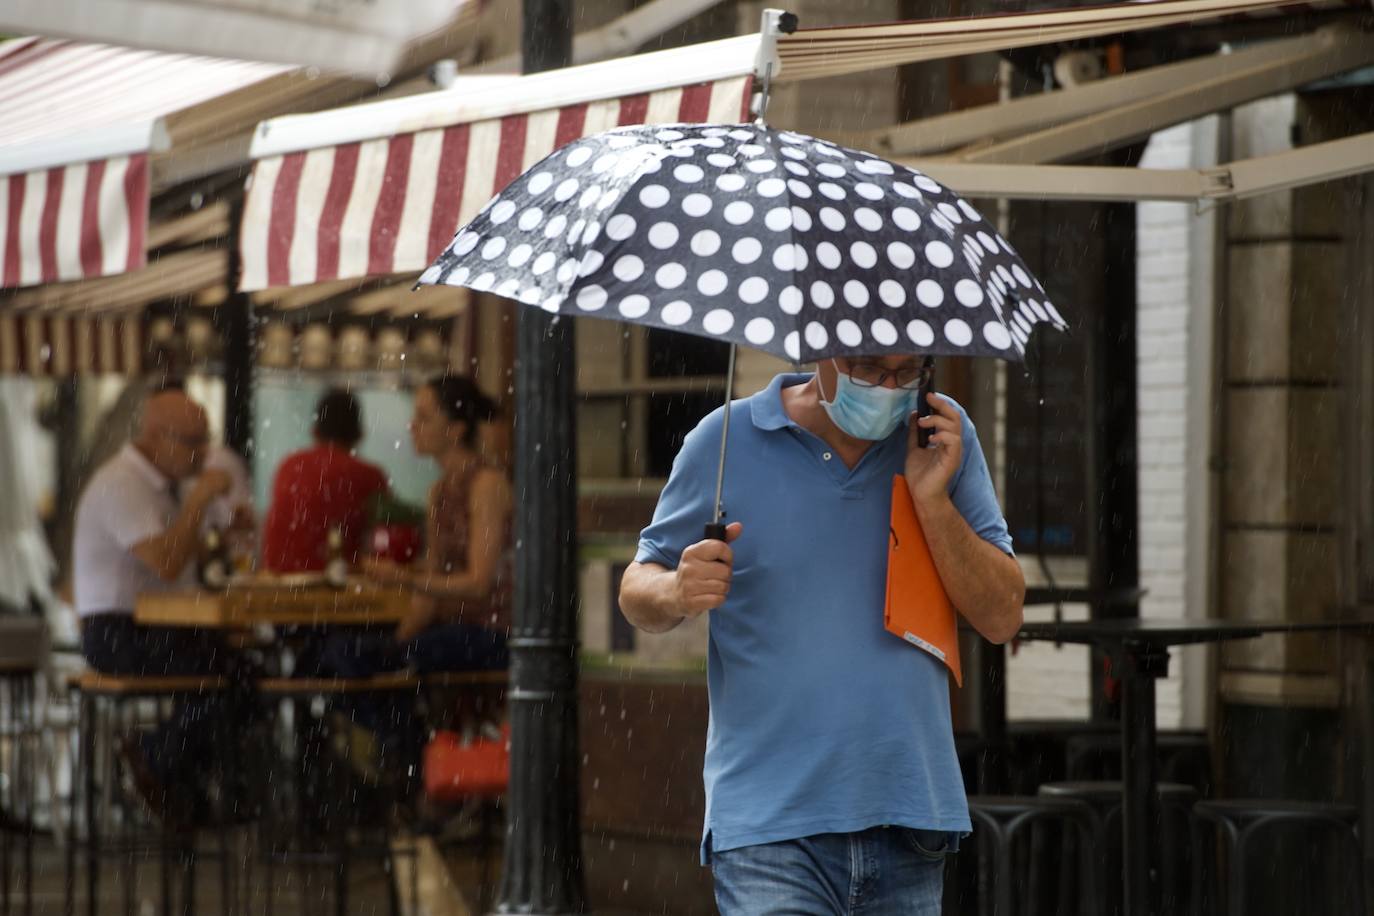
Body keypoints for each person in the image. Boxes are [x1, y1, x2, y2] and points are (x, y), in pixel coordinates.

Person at [618, 355, 1025, 915]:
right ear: (825, 349)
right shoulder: (724, 438)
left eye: (908, 373)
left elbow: (1002, 615)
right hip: (769, 823)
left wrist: (932, 498)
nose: (888, 388)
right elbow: (637, 587)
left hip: (909, 814)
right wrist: (677, 590)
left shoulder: (939, 436)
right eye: (870, 368)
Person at [72, 389, 237, 824]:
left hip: (161, 625)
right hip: (115, 631)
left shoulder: (165, 488)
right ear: (154, 436)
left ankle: (183, 786)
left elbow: (183, 559)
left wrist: (221, 536)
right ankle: (155, 760)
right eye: (192, 442)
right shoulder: (122, 485)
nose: (204, 453)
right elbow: (165, 562)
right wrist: (199, 502)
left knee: (237, 671)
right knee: (222, 676)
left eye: (207, 439)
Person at [332, 373, 512, 676]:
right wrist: (395, 643)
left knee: (398, 656)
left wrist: (403, 579)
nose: (412, 426)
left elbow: (479, 584)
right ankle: (404, 718)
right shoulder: (438, 492)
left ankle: (407, 719)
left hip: (492, 631)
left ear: (455, 430)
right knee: (341, 656)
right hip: (451, 629)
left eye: (424, 418)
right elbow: (431, 584)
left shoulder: (486, 484)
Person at [260, 388, 389, 573]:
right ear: (360, 434)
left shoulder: (289, 466)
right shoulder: (370, 476)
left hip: (277, 581)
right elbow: (384, 541)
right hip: (336, 586)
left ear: (315, 431)